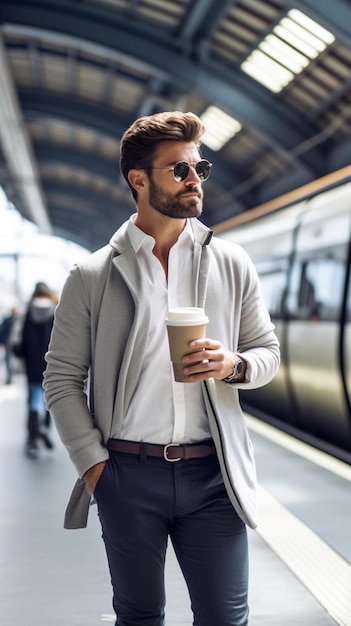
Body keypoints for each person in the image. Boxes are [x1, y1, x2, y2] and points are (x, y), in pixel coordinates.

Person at [44, 111, 280, 626]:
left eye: (201, 168)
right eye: (180, 170)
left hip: (214, 475)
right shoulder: (91, 276)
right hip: (127, 474)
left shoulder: (232, 262)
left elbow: (268, 353)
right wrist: (95, 468)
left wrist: (233, 364)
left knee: (225, 617)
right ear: (139, 179)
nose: (195, 180)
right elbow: (60, 379)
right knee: (139, 616)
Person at [17, 282, 56, 458]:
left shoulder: (28, 313)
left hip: (32, 364)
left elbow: (20, 340)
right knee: (48, 400)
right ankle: (44, 429)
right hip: (50, 364)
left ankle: (32, 437)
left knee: (33, 400)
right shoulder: (55, 312)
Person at [0, 306, 19, 384]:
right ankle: (10, 378)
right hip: (9, 344)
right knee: (9, 361)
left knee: (10, 361)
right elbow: (2, 331)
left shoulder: (17, 320)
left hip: (13, 344)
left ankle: (11, 378)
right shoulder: (9, 320)